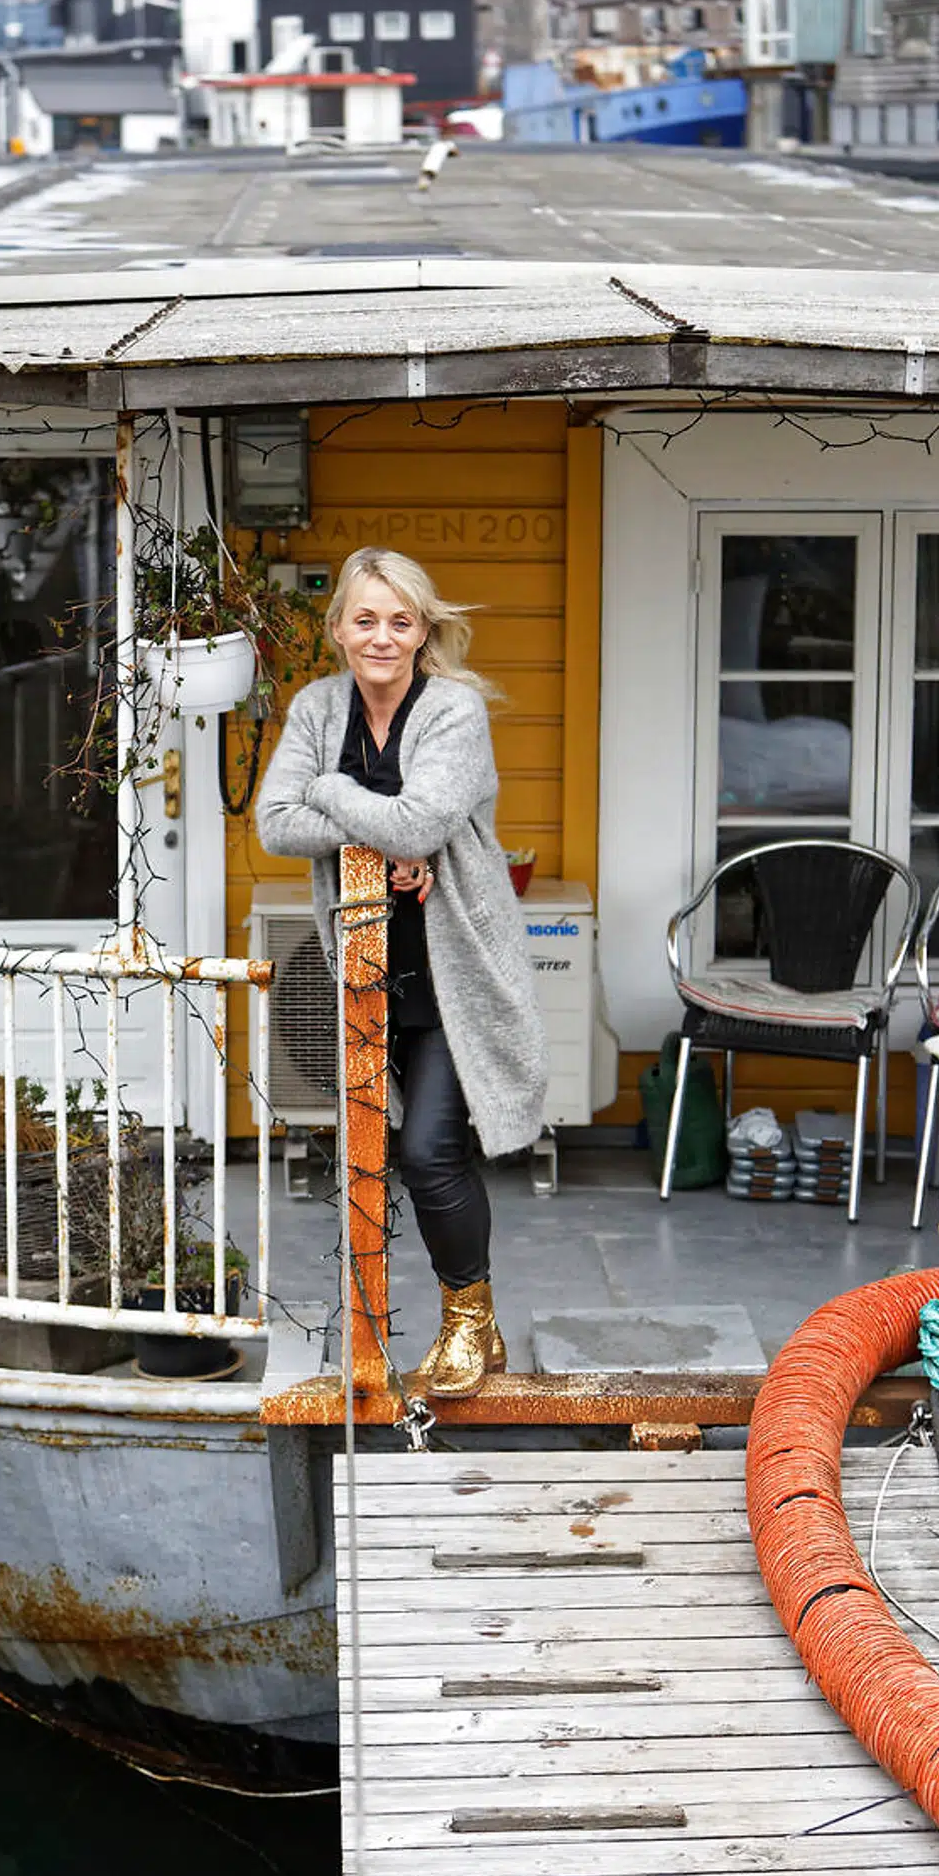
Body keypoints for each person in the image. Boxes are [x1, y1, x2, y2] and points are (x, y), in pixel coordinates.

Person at [255, 546, 548, 1396]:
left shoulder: (453, 709)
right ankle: (474, 1326)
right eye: (365, 619)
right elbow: (275, 822)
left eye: (401, 620)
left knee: (428, 1152)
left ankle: (468, 1319)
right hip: (373, 969)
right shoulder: (316, 707)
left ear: (423, 632)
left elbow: (419, 823)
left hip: (459, 971)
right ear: (339, 627)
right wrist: (379, 838)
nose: (382, 636)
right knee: (391, 1152)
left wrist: (340, 796)